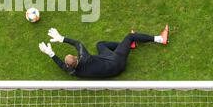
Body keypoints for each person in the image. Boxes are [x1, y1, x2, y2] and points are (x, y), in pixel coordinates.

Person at [38, 25, 169, 78]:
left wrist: (51, 53)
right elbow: (77, 43)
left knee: (100, 45)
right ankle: (160, 39)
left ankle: (129, 45)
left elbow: (61, 65)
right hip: (117, 62)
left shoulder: (72, 72)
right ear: (76, 58)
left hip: (108, 67)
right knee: (130, 36)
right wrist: (61, 38)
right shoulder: (85, 57)